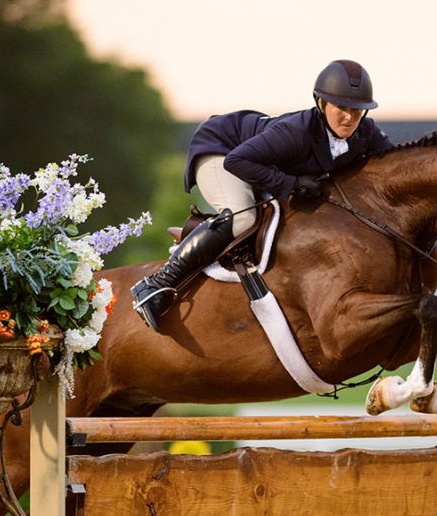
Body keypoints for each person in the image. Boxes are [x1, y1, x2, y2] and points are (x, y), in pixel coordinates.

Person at [131, 59, 394, 331]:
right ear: (321, 104)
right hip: (222, 150)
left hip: (255, 157)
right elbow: (237, 161)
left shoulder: (366, 132)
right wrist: (290, 184)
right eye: (341, 108)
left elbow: (395, 161)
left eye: (357, 110)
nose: (350, 117)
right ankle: (157, 284)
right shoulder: (296, 132)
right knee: (242, 219)